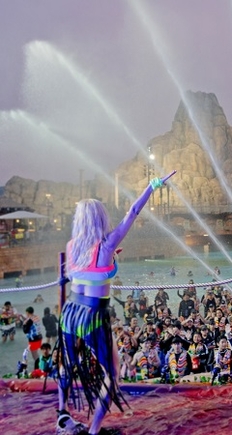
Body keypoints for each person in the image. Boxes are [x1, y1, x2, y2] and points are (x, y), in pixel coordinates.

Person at [55, 170, 175, 435]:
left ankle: (62, 415)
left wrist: (109, 261)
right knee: (112, 373)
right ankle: (94, 430)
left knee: (67, 364)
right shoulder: (106, 245)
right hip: (93, 315)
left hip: (71, 311)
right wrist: (152, 186)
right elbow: (132, 212)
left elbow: (84, 273)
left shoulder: (72, 245)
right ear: (101, 218)